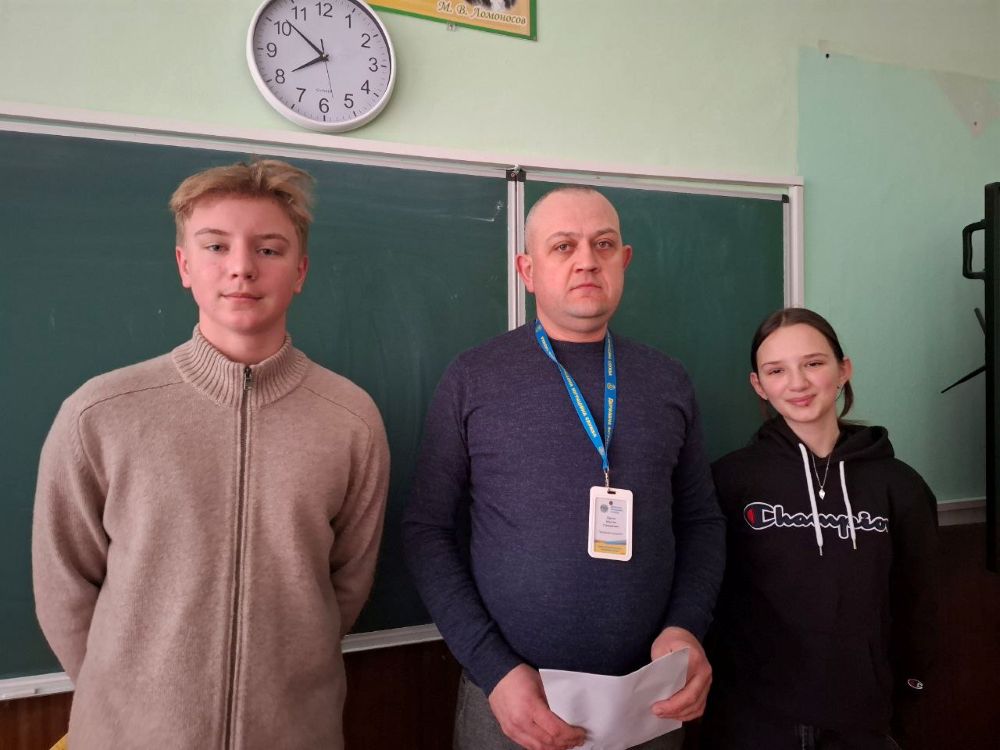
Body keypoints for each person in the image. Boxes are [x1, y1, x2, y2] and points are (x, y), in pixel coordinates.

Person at [32, 159, 390, 750]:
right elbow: (63, 585)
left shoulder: (351, 419)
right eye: (216, 246)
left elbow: (347, 582)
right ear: (184, 265)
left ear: (300, 271)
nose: (242, 267)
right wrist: (129, 703)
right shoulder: (100, 413)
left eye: (269, 250)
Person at [403, 186, 725, 750]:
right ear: (528, 271)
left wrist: (687, 626)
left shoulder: (667, 380)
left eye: (603, 244)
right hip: (511, 702)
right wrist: (494, 668)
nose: (586, 260)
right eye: (563, 246)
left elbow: (701, 521)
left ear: (624, 261)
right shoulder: (473, 378)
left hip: (648, 699)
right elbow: (426, 530)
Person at [702, 307, 938, 749]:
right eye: (777, 370)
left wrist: (911, 691)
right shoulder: (728, 481)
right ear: (759, 385)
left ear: (843, 370)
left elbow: (918, 600)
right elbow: (706, 596)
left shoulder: (900, 485)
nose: (797, 383)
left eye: (813, 363)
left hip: (863, 720)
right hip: (752, 720)